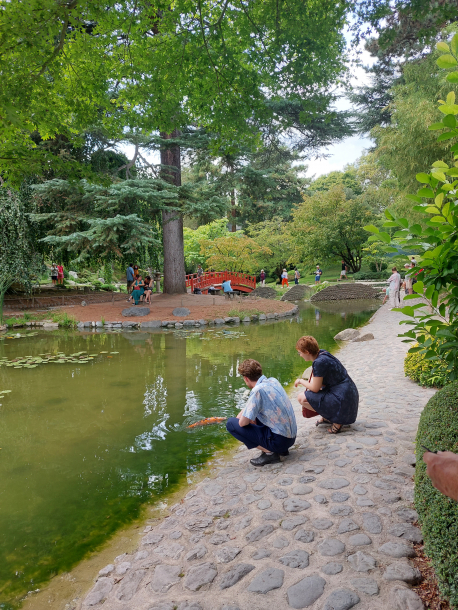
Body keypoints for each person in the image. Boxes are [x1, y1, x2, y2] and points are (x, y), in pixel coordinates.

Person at [226, 359, 297, 466]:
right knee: (255, 415)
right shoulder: (273, 381)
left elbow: (242, 423)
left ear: (246, 378)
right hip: (290, 438)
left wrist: (243, 417)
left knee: (231, 424)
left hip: (280, 441)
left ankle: (270, 453)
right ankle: (280, 449)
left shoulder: (257, 390)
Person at [295, 336, 359, 434]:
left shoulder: (319, 362)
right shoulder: (323, 353)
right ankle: (328, 416)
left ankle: (337, 419)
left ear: (307, 352)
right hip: (349, 395)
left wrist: (300, 381)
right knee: (310, 396)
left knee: (301, 398)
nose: (300, 355)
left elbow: (315, 389)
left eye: (300, 352)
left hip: (342, 398)